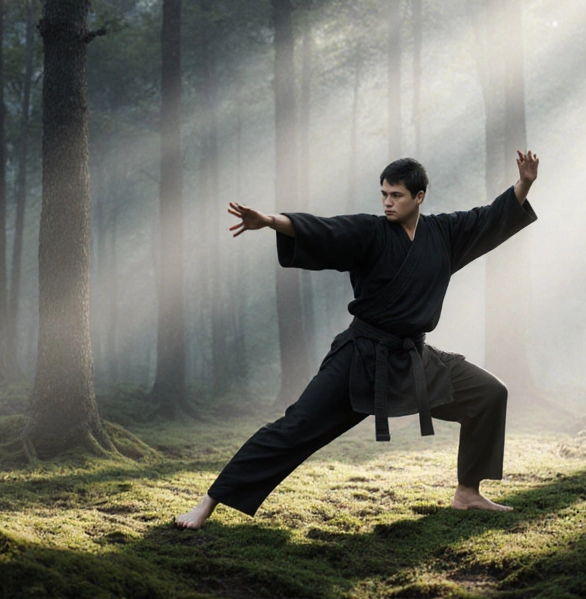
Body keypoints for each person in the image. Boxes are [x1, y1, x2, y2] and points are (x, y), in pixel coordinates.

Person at [175, 151, 540, 529]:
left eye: (396, 195)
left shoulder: (444, 234)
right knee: (295, 428)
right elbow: (325, 230)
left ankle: (467, 492)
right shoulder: (370, 231)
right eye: (384, 194)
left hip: (413, 358)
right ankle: (207, 504)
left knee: (488, 393)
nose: (387, 202)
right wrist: (270, 221)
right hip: (361, 358)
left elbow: (490, 217)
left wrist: (524, 183)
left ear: (419, 197)